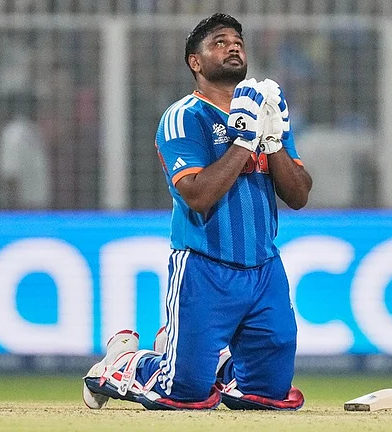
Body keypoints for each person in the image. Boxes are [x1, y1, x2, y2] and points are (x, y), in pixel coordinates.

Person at [83, 13, 312, 411]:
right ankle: (121, 362)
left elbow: (298, 195)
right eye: (219, 42)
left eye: (237, 40)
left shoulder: (266, 111)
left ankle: (211, 360)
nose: (233, 45)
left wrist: (272, 140)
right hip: (205, 267)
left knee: (267, 395)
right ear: (195, 61)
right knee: (183, 394)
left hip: (264, 269)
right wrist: (243, 142)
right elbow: (197, 196)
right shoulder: (184, 117)